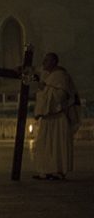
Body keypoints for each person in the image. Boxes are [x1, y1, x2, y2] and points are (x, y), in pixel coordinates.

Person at [33, 52, 81, 180]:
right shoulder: (47, 75)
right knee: (44, 145)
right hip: (47, 118)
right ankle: (45, 171)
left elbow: (61, 97)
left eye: (47, 61)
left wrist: (44, 90)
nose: (44, 63)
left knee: (57, 146)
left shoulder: (60, 76)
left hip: (58, 118)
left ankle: (58, 171)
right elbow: (36, 71)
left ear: (54, 62)